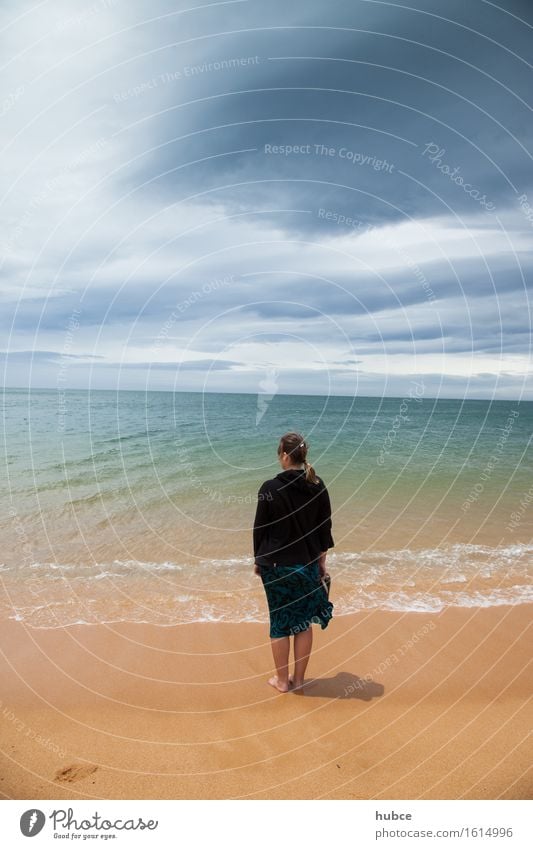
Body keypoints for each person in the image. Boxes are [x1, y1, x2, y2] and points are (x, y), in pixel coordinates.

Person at [253, 431, 334, 693]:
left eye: (280, 454)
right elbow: (325, 531)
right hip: (307, 565)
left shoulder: (269, 488)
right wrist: (321, 564)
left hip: (275, 566)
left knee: (280, 622)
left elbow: (260, 529)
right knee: (302, 623)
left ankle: (281, 681)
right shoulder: (318, 485)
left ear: (285, 456)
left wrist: (258, 560)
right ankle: (298, 681)